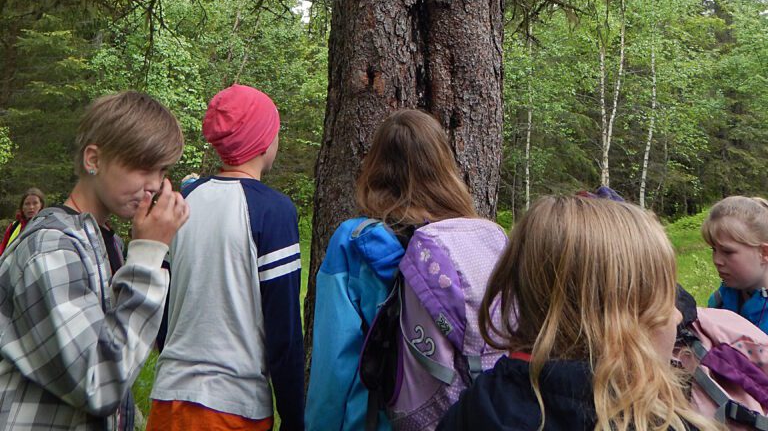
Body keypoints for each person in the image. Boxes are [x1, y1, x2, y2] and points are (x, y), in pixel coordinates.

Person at [436, 194, 717, 431]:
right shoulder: (656, 421)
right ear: (620, 320)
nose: (678, 315)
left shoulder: (476, 408)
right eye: (665, 299)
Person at [0, 90, 189, 431]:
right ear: (94, 159)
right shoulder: (51, 248)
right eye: (141, 167)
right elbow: (99, 382)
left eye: (160, 170)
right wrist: (147, 258)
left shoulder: (106, 241)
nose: (154, 186)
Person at [305, 108, 482, 431]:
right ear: (444, 166)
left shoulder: (354, 242)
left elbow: (334, 363)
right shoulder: (471, 242)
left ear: (375, 166)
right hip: (456, 417)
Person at [147, 83, 304, 431]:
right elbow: (285, 331)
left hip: (168, 399)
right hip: (233, 408)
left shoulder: (185, 200)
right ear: (265, 142)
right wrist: (294, 416)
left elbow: (162, 299)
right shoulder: (273, 211)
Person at [702, 195, 768, 333]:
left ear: (764, 253)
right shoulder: (720, 300)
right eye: (714, 249)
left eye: (727, 252)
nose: (716, 260)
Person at [0, 187, 46, 255]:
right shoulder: (13, 227)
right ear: (22, 207)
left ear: (41, 206)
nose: (31, 207)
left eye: (35, 203)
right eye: (27, 204)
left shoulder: (47, 226)